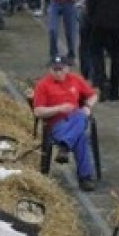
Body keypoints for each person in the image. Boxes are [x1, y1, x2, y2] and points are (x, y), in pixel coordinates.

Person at [31, 56, 99, 192]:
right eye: (54, 70)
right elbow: (38, 111)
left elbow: (93, 95)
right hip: (57, 124)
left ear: (67, 68)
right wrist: (59, 108)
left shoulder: (76, 79)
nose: (58, 73)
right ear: (50, 69)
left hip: (75, 119)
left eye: (60, 69)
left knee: (80, 115)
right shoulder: (43, 85)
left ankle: (64, 146)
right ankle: (85, 177)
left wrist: (87, 106)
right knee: (81, 137)